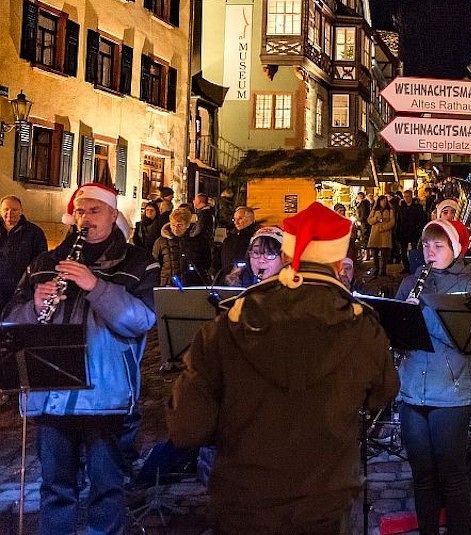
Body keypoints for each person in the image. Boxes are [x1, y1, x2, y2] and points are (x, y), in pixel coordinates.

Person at [167, 202, 398, 534]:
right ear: (338, 261)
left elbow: (187, 427)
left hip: (243, 502)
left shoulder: (228, 323)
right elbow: (382, 394)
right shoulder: (364, 329)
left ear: (289, 255)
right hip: (325, 503)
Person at [3, 183, 157, 535]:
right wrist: (34, 306)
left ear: (113, 215)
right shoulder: (45, 262)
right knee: (55, 488)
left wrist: (95, 285)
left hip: (105, 395)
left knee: (107, 487)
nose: (86, 219)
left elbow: (141, 321)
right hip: (52, 393)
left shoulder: (138, 262)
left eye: (95, 211)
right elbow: (12, 320)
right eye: (81, 212)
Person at [396, 219, 471, 535]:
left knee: (452, 473)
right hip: (411, 389)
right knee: (422, 474)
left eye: (439, 245)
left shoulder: (468, 287)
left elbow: (460, 337)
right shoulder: (412, 281)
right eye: (426, 245)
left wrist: (421, 314)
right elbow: (398, 334)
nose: (430, 252)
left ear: (455, 250)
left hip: (450, 392)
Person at [0, 195, 47, 312]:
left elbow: (41, 261)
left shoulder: (34, 232)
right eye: (6, 209)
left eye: (14, 210)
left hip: (20, 288)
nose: (9, 213)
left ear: (21, 211)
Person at [153, 207, 208, 287]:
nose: (175, 228)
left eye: (180, 225)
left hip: (193, 284)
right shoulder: (161, 241)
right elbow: (155, 263)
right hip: (169, 285)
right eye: (173, 225)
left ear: (187, 225)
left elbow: (206, 262)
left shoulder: (198, 241)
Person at [218, 206, 259, 282]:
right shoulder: (229, 239)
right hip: (226, 281)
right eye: (234, 219)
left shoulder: (256, 239)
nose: (236, 222)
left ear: (251, 219)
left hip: (247, 282)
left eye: (240, 218)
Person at [367, 195, 396, 277]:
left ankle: (383, 270)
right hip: (375, 234)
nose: (383, 203)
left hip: (385, 235)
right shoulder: (374, 210)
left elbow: (392, 222)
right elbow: (369, 220)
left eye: (384, 201)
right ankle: (376, 269)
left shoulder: (390, 210)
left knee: (384, 254)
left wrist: (384, 227)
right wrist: (375, 219)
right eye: (382, 201)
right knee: (375, 254)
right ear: (379, 202)